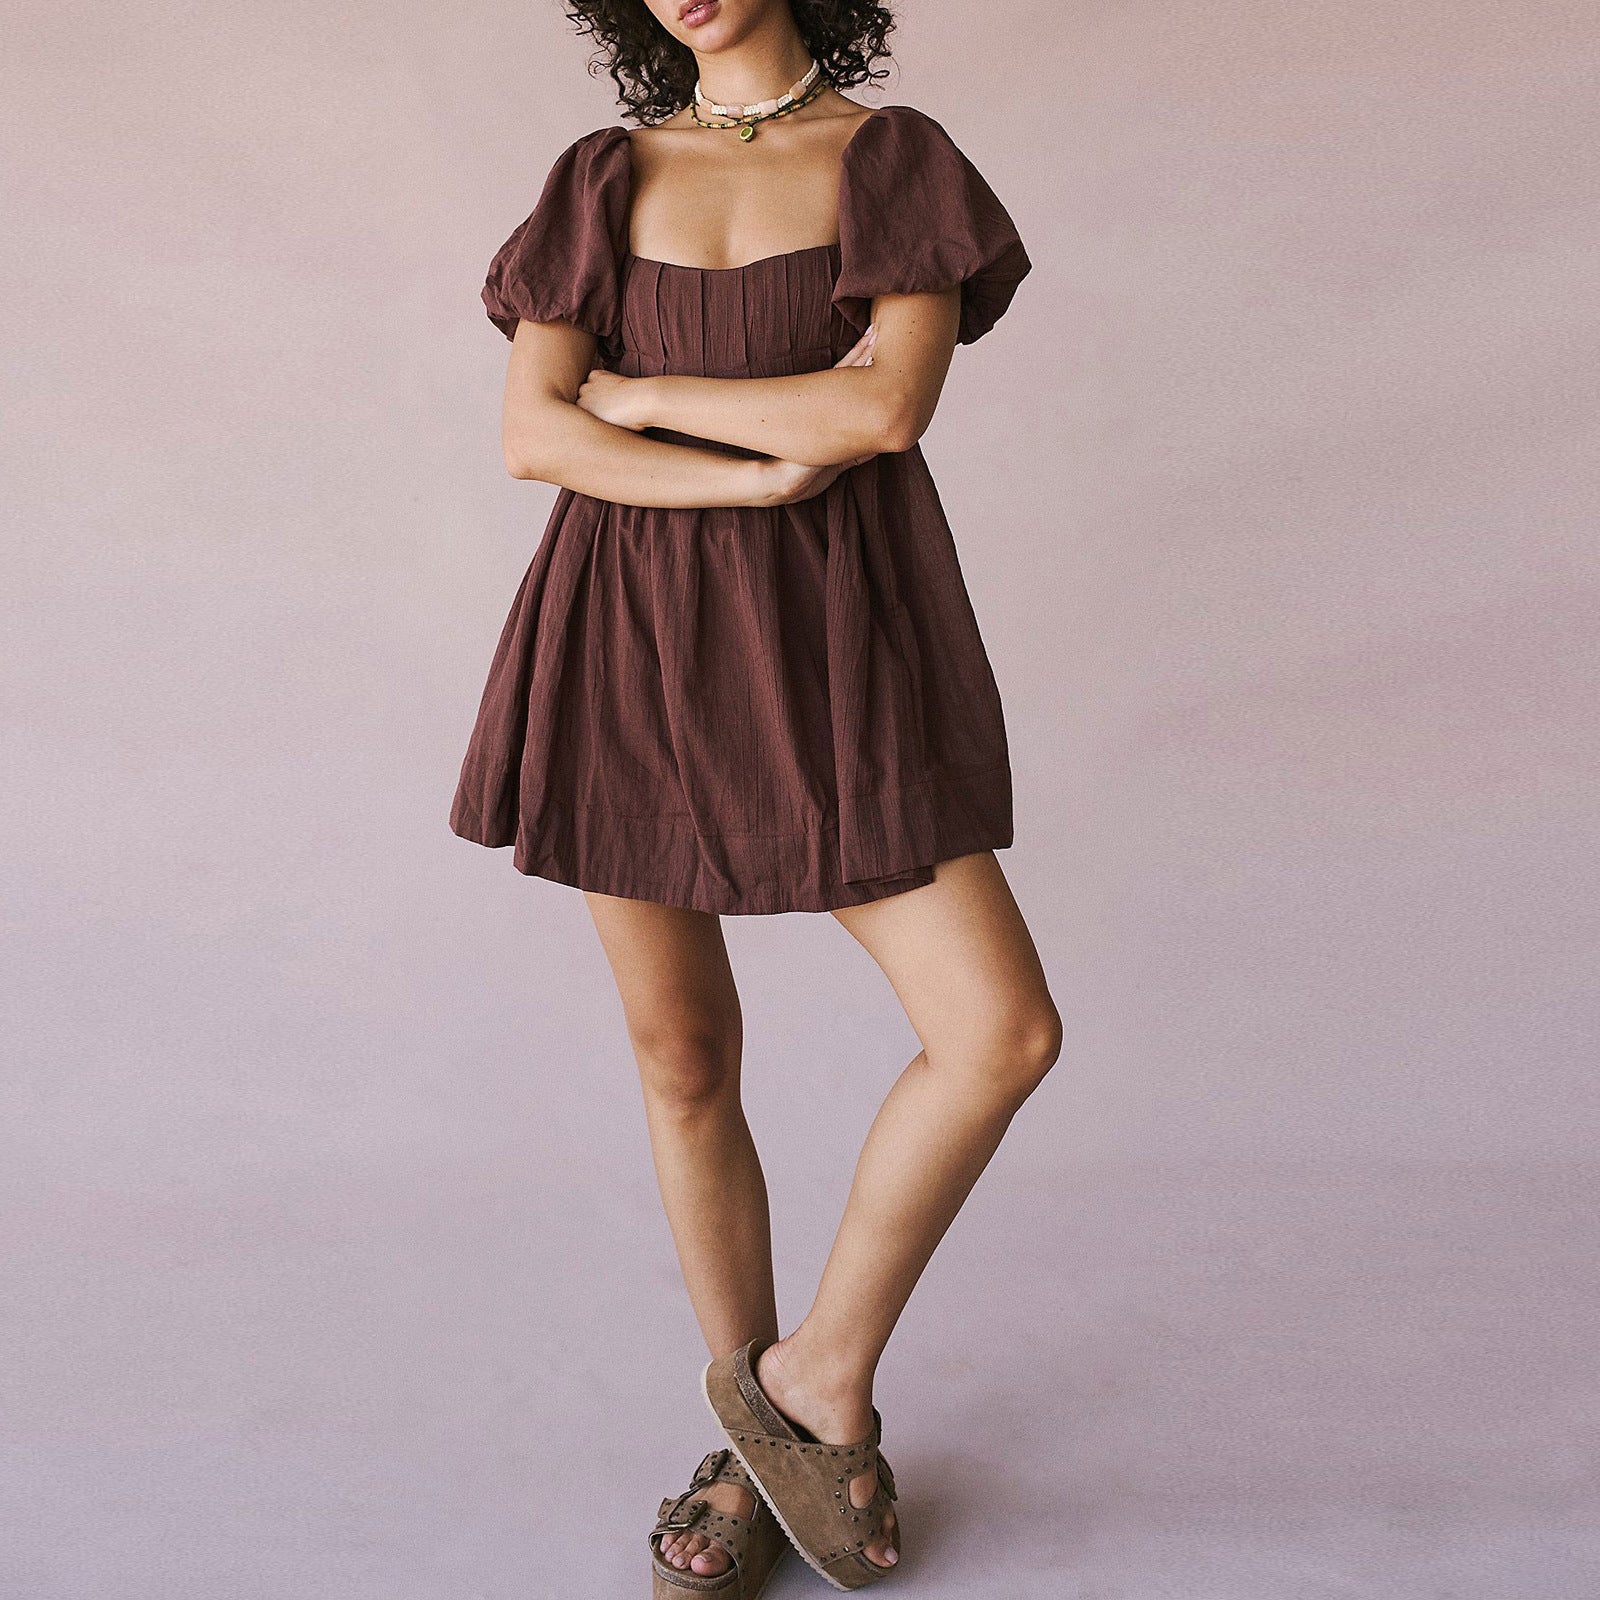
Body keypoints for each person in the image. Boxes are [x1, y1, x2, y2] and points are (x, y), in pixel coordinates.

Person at [449, 1, 1062, 1591]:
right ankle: (749, 1449)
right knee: (681, 1057)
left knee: (998, 1031)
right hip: (627, 634)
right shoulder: (599, 179)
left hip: (832, 634)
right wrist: (751, 467)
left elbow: (882, 410)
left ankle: (813, 1381)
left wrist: (639, 395)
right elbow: (533, 436)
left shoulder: (893, 161)